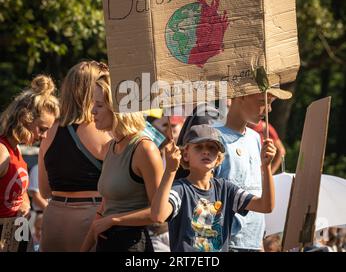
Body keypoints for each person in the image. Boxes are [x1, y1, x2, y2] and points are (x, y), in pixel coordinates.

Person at [151, 124, 275, 252]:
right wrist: (170, 171)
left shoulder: (227, 190)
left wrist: (266, 167)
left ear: (218, 158)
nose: (206, 151)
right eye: (199, 147)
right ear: (185, 154)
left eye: (212, 147)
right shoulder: (180, 190)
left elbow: (265, 206)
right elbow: (158, 216)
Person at [80, 72, 164, 252]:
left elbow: (160, 213)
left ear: (117, 109)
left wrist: (114, 220)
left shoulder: (144, 149)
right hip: (107, 243)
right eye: (93, 103)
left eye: (100, 105)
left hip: (133, 244)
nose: (93, 110)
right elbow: (105, 207)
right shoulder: (111, 146)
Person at [39, 61, 112, 252]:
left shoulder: (48, 132)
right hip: (90, 220)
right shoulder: (103, 131)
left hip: (53, 220)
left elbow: (45, 190)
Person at [214, 85, 292, 252]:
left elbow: (256, 188)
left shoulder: (255, 138)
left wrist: (259, 243)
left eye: (271, 103)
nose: (269, 109)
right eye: (262, 101)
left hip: (253, 242)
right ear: (240, 95)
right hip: (224, 243)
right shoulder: (213, 137)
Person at [0, 75, 59, 252]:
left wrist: (24, 203)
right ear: (25, 118)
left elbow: (18, 190)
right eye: (42, 129)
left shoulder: (15, 149)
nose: (44, 136)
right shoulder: (2, 150)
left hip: (18, 233)